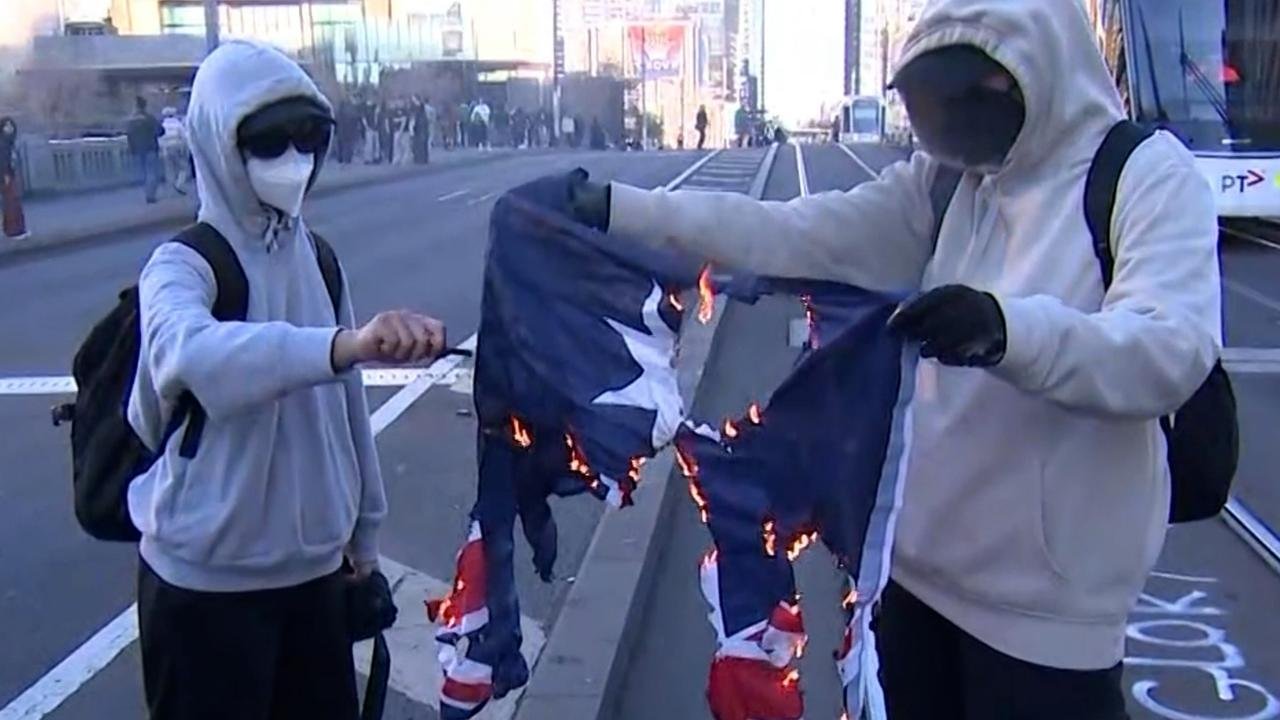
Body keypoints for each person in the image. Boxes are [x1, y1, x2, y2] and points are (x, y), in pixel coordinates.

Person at [572, 1, 1221, 718]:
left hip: (1049, 619)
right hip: (911, 583)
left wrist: (1006, 332)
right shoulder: (948, 183)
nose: (946, 128)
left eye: (959, 101)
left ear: (1024, 77)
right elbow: (791, 233)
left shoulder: (1144, 177)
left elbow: (1169, 348)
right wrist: (623, 210)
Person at [127, 40, 448, 720]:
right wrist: (341, 345)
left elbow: (347, 414)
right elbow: (197, 357)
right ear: (220, 143)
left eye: (309, 140)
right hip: (203, 592)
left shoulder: (320, 260)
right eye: (269, 143)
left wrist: (365, 536)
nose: (292, 162)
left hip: (314, 584)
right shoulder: (181, 266)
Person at [126, 97, 164, 204]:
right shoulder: (150, 118)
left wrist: (132, 148)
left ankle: (146, 193)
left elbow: (129, 136)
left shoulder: (131, 121)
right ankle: (150, 195)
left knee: (142, 173)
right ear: (145, 106)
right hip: (151, 147)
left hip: (137, 150)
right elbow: (161, 131)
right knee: (152, 172)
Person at [0, 117, 28, 240]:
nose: (9, 129)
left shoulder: (9, 141)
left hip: (9, 174)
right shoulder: (3, 142)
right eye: (7, 126)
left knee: (12, 203)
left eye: (11, 126)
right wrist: (5, 175)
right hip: (7, 176)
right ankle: (14, 231)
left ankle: (15, 230)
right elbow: (3, 160)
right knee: (12, 204)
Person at [159, 107, 191, 196]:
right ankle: (179, 184)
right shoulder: (178, 124)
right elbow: (184, 137)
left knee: (169, 169)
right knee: (183, 168)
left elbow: (159, 138)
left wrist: (161, 149)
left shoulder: (162, 125)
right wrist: (185, 148)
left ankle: (170, 187)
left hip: (166, 148)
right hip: (177, 147)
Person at [412, 96, 431, 164]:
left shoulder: (419, 113)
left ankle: (421, 159)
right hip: (422, 130)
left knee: (420, 145)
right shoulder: (423, 114)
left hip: (420, 131)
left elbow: (417, 122)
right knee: (422, 145)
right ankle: (423, 159)